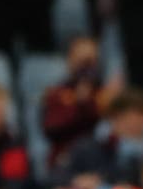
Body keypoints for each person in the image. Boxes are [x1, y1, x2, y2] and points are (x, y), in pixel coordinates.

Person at [57, 86, 143, 189]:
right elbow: (56, 176)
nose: (142, 126)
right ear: (116, 118)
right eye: (135, 120)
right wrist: (77, 180)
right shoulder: (87, 147)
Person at [40, 34, 112, 171]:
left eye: (91, 61)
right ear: (69, 60)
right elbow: (51, 129)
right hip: (68, 162)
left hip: (104, 163)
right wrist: (80, 104)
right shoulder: (56, 93)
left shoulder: (106, 93)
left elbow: (114, 135)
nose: (87, 67)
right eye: (82, 61)